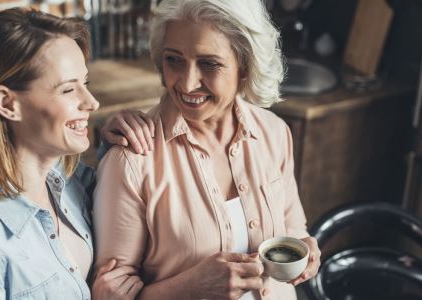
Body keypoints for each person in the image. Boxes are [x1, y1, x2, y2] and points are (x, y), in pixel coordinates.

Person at [92, 0, 321, 299]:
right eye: (174, 60)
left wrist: (307, 246)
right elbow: (108, 294)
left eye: (209, 63)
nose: (187, 84)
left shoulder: (273, 132)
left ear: (245, 64)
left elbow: (293, 228)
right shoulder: (132, 157)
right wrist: (189, 288)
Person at [0, 8, 149, 300]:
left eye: (85, 84)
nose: (92, 102)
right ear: (7, 103)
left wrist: (114, 148)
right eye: (67, 90)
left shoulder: (71, 181)